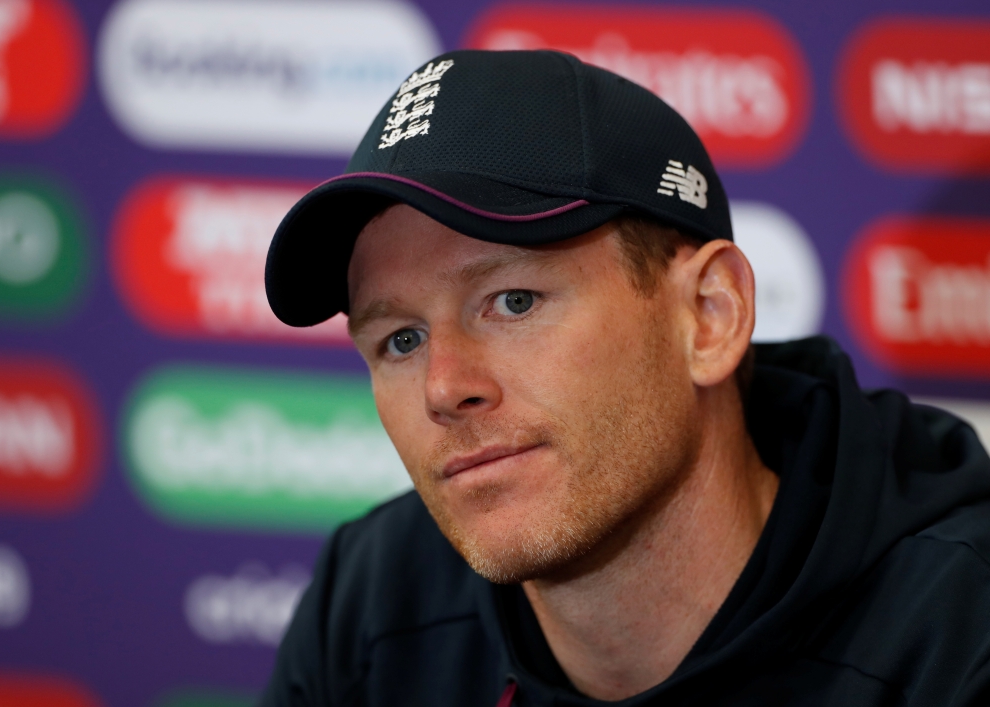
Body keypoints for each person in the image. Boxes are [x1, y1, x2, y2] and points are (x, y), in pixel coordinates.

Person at [259, 50, 990, 706]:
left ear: (709, 317)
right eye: (401, 339)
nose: (444, 387)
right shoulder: (374, 603)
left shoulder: (958, 636)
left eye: (514, 301)